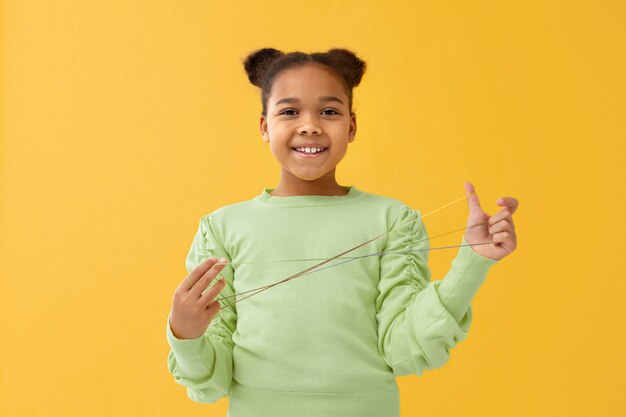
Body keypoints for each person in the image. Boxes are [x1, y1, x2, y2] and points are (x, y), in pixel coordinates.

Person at [165, 48, 519, 417]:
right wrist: (186, 335)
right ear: (264, 126)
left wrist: (472, 262)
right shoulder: (222, 228)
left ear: (351, 126)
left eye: (329, 111)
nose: (310, 125)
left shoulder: (394, 220)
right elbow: (211, 383)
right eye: (289, 111)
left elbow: (405, 349)